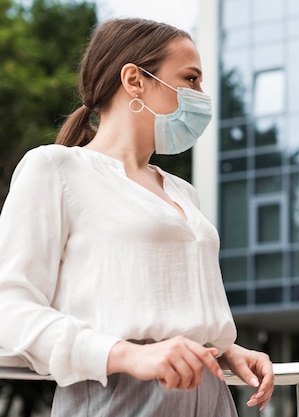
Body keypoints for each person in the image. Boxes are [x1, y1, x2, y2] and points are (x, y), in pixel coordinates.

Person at [0, 18, 273, 416]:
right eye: (191, 79)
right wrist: (126, 355)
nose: (201, 95)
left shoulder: (182, 191)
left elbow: (159, 300)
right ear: (135, 80)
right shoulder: (55, 168)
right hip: (118, 395)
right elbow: (9, 307)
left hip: (211, 395)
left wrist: (228, 348)